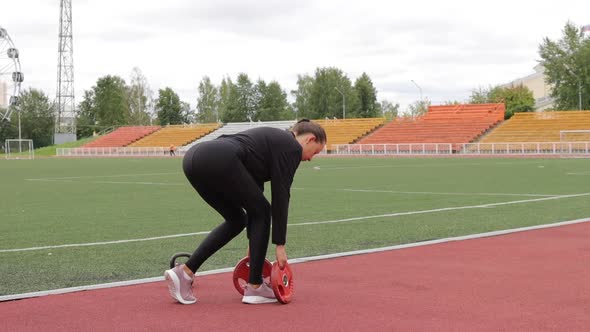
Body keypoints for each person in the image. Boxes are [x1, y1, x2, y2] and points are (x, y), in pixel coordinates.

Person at [164, 119, 327, 305]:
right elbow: (281, 194)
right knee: (264, 210)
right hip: (219, 158)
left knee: (237, 219)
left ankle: (185, 272)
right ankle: (255, 287)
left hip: (195, 160)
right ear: (310, 139)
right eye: (315, 151)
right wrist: (280, 245)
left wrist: (253, 239)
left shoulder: (270, 142)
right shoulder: (291, 146)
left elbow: (255, 193)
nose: (311, 158)